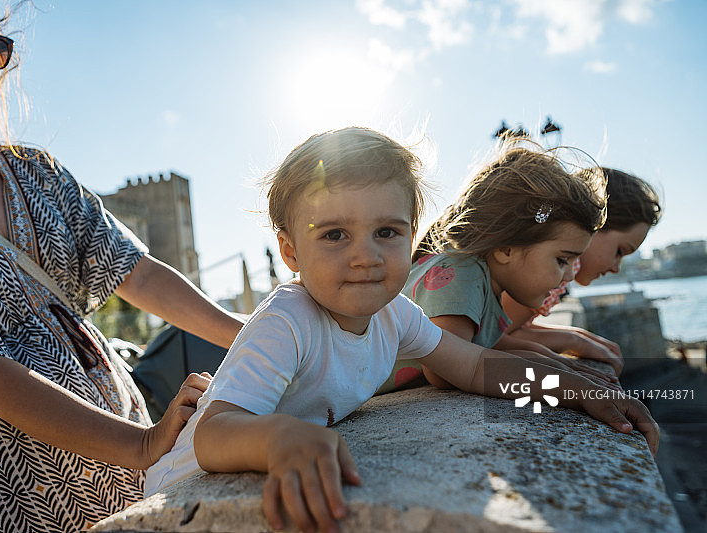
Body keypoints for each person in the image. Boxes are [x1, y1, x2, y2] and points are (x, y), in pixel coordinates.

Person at [144, 127, 659, 533]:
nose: (366, 256)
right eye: (335, 234)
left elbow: (475, 366)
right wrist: (279, 438)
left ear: (413, 234)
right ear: (290, 251)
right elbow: (213, 433)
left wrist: (569, 387)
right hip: (179, 490)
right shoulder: (286, 321)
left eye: (387, 232)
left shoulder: (395, 313)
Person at [0, 1, 243, 531]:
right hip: (3, 506)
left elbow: (137, 272)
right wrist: (141, 444)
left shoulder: (35, 171)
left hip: (130, 479)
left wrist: (258, 337)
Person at [399, 142, 619, 392]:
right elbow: (446, 369)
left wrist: (551, 359)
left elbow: (485, 346)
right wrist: (565, 385)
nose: (569, 274)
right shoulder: (461, 274)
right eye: (562, 260)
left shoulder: (480, 279)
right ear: (506, 249)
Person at [501, 168, 662, 373]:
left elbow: (511, 327)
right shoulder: (549, 272)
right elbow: (492, 336)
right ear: (593, 225)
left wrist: (578, 337)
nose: (616, 267)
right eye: (619, 251)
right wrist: (576, 342)